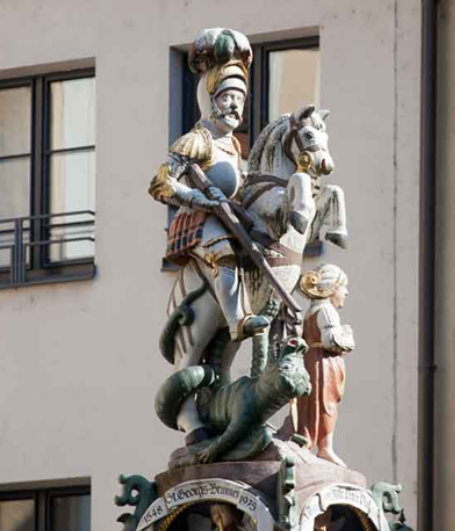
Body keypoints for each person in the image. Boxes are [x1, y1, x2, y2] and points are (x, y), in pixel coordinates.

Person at [148, 28, 269, 444]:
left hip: (227, 219)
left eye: (239, 99)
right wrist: (199, 197)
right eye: (226, 98)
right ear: (209, 99)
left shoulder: (235, 147)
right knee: (222, 243)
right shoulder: (197, 139)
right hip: (198, 224)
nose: (235, 106)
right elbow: (160, 184)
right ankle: (238, 319)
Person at [296, 264, 355, 467]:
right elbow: (332, 341)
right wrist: (348, 337)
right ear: (331, 288)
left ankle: (309, 442)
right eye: (343, 286)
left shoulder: (312, 310)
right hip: (323, 364)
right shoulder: (327, 311)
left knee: (312, 405)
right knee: (324, 405)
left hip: (314, 359)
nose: (346, 292)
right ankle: (325, 448)